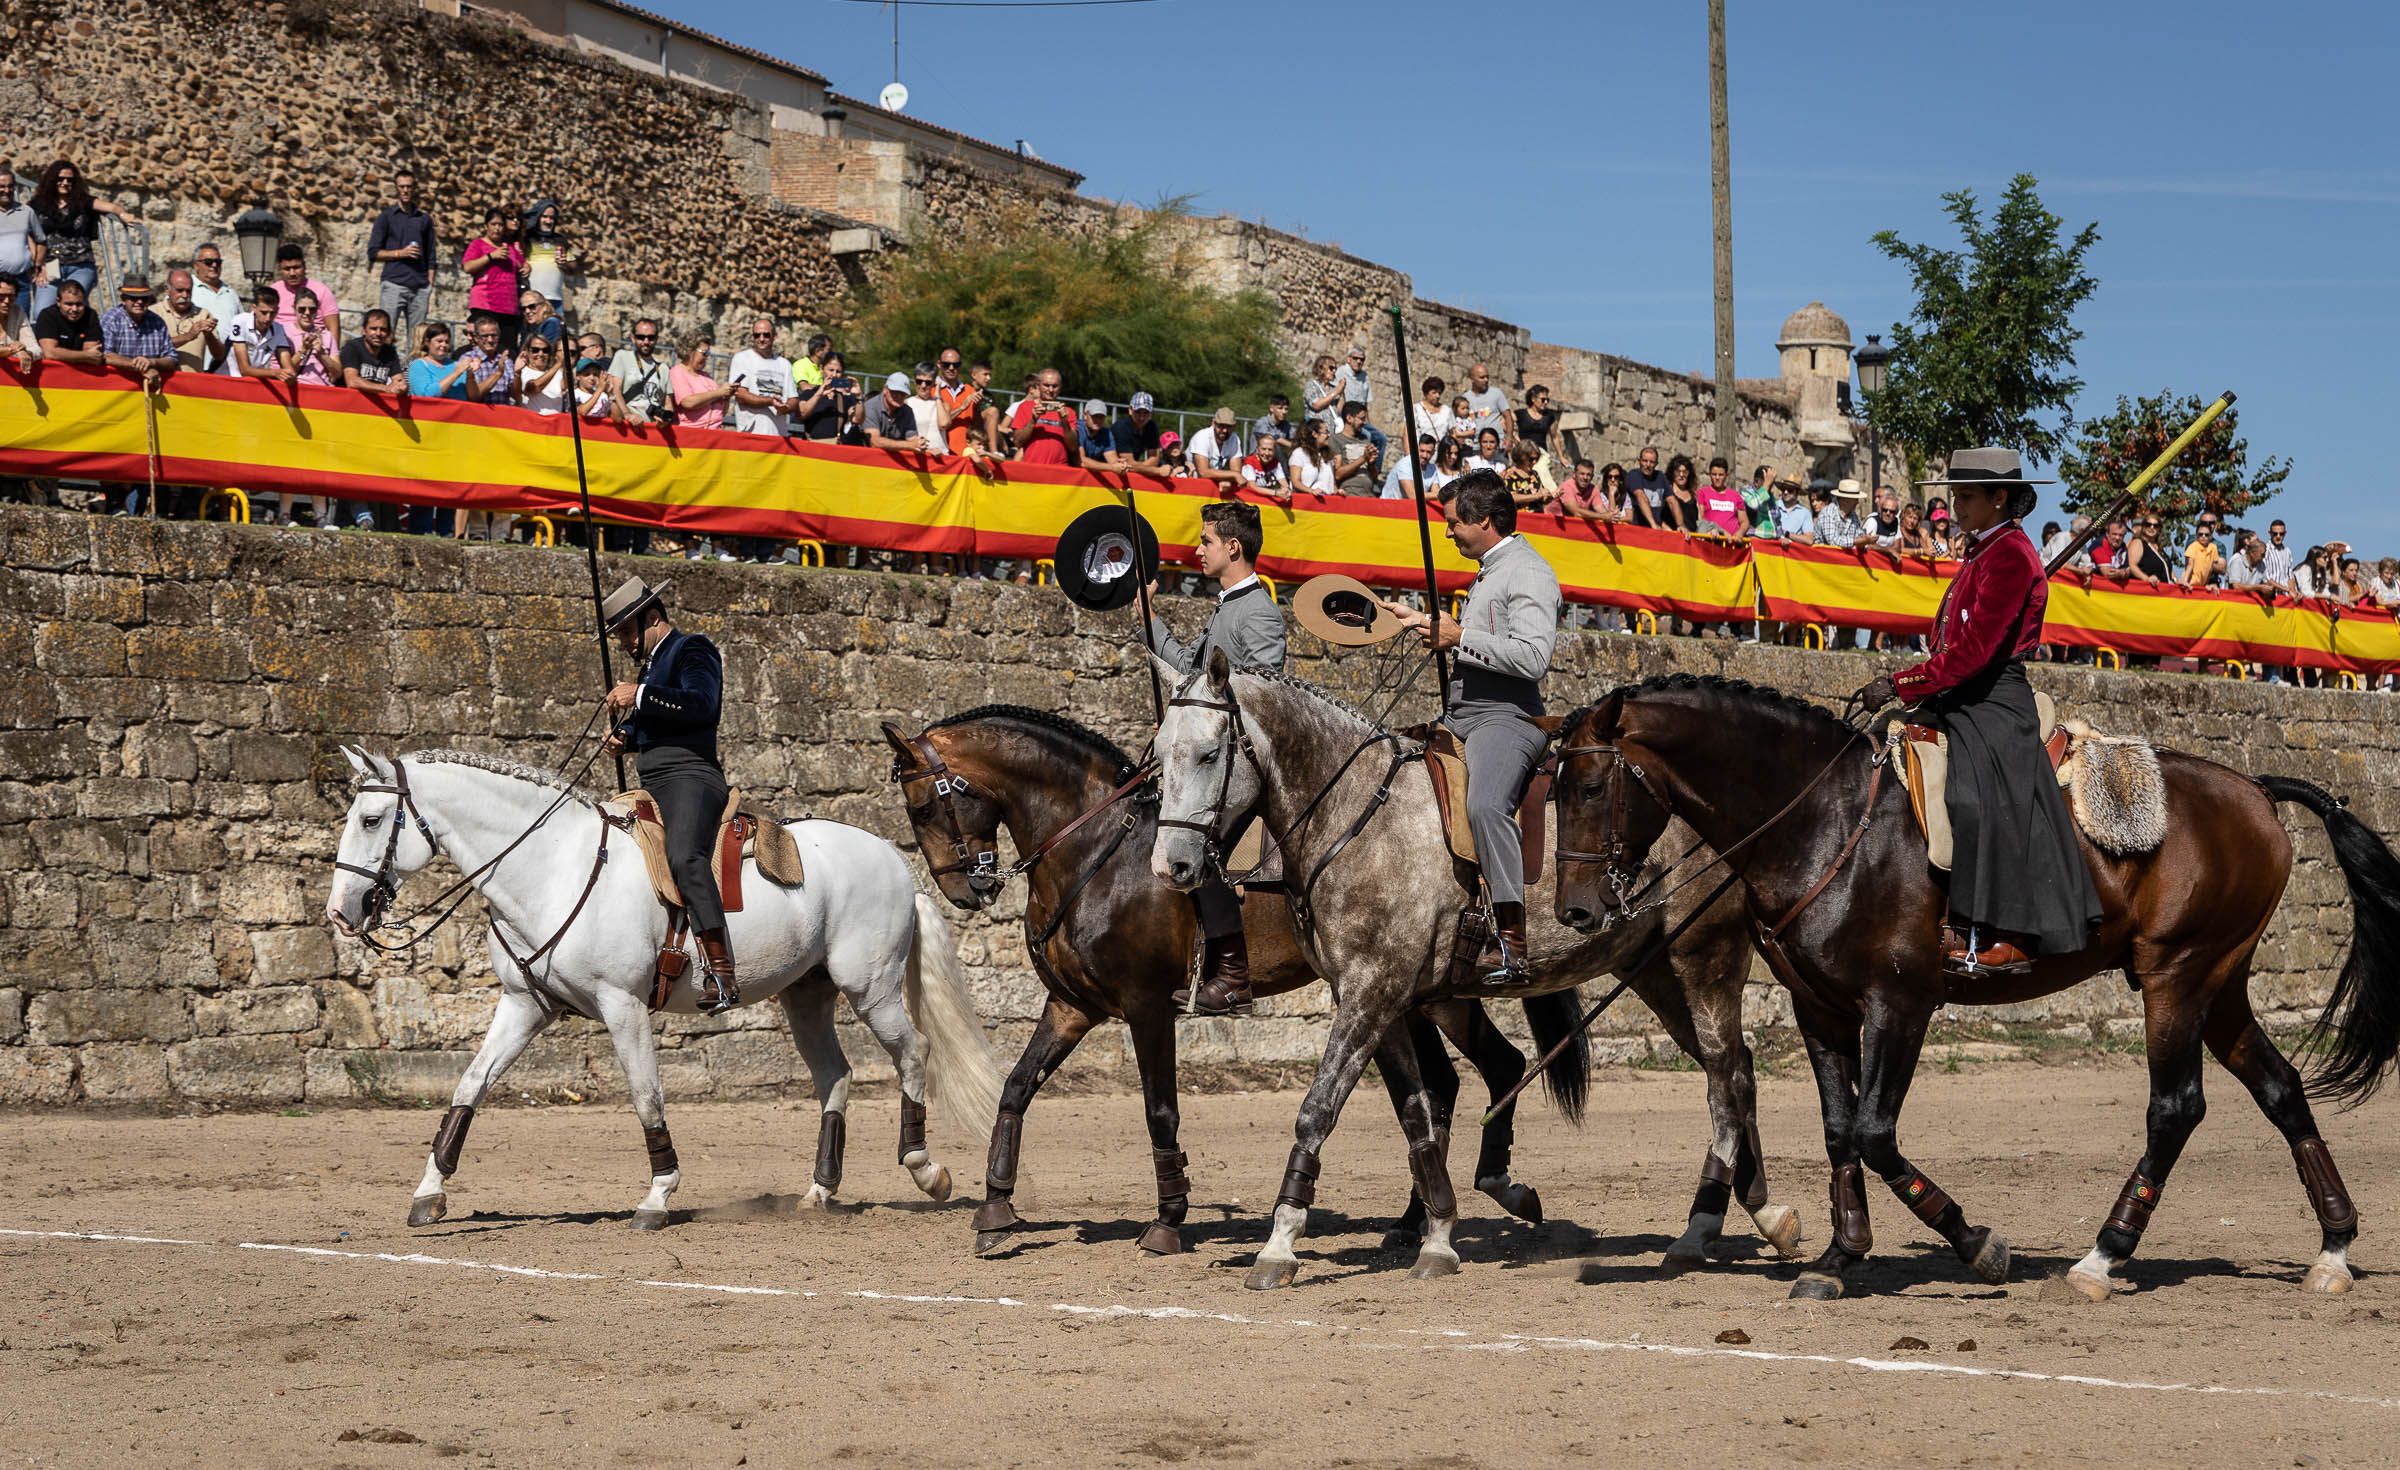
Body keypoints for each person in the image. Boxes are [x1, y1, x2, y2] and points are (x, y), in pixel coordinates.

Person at [1854, 448, 2101, 975]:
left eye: (1966, 496)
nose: (1956, 505)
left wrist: (1901, 682)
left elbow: (1974, 653)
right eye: (1956, 495)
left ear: (1999, 498)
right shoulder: (1986, 552)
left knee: (1972, 794)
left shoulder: (2011, 556)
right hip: (1963, 690)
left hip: (1994, 697)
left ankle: (2007, 931)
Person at [1381, 471, 1558, 985]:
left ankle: (1511, 942)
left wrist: (1460, 635)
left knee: (1484, 804)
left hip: (1506, 718)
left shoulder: (1529, 571)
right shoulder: (1488, 570)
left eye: (1454, 522)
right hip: (1459, 716)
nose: (1449, 532)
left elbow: (1533, 657)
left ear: (1484, 520)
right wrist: (1419, 621)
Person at [1140, 500, 1286, 1014]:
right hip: (1207, 751)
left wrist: (1202, 723)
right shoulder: (1227, 606)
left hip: (1239, 764)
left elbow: (1268, 695)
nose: (1197, 550)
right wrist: (1149, 617)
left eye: (1205, 541)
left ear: (1233, 547)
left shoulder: (1259, 613)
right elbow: (1187, 671)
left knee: (1205, 842)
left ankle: (1233, 974)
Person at [601, 576, 737, 1015]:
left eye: (625, 631)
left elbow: (701, 705)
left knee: (684, 856)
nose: (623, 642)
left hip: (692, 776)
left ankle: (722, 972)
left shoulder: (693, 649)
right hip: (653, 778)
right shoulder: (649, 667)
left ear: (652, 619)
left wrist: (639, 694)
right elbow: (658, 725)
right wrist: (627, 738)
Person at [29, 159, 130, 316]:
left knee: (74, 307)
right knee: (41, 312)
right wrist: (38, 266)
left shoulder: (83, 201)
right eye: (60, 179)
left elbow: (112, 207)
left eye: (70, 180)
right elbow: (30, 235)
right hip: (51, 265)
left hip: (81, 265)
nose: (65, 183)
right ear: (52, 180)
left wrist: (123, 214)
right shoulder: (38, 204)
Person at [367, 170, 437, 346]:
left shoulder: (424, 219)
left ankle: (410, 374)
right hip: (394, 284)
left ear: (414, 189)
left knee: (417, 341)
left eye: (409, 187)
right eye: (402, 187)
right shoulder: (386, 217)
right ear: (396, 188)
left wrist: (429, 284)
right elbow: (373, 252)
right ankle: (384, 372)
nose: (406, 190)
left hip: (419, 287)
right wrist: (400, 253)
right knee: (383, 335)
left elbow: (431, 254)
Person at [462, 209, 525, 352]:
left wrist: (526, 267)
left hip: (508, 307)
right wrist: (490, 256)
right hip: (486, 304)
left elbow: (522, 264)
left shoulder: (508, 247)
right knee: (483, 348)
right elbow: (467, 267)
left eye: (501, 225)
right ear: (486, 225)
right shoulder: (477, 244)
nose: (497, 228)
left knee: (508, 351)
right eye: (493, 224)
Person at [727, 318, 797, 436]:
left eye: (766, 335)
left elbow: (794, 398)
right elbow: (741, 395)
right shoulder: (742, 359)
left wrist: (786, 408)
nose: (761, 339)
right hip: (750, 434)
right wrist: (770, 402)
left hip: (778, 435)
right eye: (757, 335)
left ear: (775, 336)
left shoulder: (785, 364)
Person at [270, 243, 339, 348]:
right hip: (281, 349)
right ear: (279, 269)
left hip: (316, 350)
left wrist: (332, 357)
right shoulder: (273, 292)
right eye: (287, 269)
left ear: (304, 266)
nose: (292, 273)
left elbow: (333, 328)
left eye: (296, 267)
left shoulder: (322, 291)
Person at [1008, 367, 1080, 465]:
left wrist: (1064, 422)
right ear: (1038, 386)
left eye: (1055, 386)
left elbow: (1073, 446)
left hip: (1059, 470)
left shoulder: (1068, 412)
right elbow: (1017, 442)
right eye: (1046, 385)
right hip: (1031, 468)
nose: (1050, 390)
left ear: (1060, 388)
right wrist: (1033, 420)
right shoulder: (1025, 407)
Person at [188, 243, 243, 372]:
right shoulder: (187, 289)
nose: (214, 265)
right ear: (196, 265)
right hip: (197, 365)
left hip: (228, 368)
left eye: (218, 262)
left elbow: (241, 326)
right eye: (208, 262)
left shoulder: (231, 293)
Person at [608, 319, 674, 425]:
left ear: (656, 339)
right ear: (633, 338)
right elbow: (615, 390)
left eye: (651, 338)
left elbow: (668, 404)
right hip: (628, 426)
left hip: (653, 430)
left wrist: (665, 421)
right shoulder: (622, 356)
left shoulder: (663, 368)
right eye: (641, 337)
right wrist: (627, 415)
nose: (646, 342)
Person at [521, 200, 577, 311]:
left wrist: (564, 264)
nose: (548, 221)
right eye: (545, 217)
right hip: (531, 301)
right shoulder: (526, 238)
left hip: (555, 300)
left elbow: (574, 267)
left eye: (552, 218)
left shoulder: (560, 240)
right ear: (537, 217)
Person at [668, 334, 733, 430]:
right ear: (690, 351)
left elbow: (721, 412)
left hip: (714, 434)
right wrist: (719, 392)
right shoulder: (677, 373)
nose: (707, 357)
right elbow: (688, 402)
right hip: (691, 434)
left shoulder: (706, 377)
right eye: (704, 353)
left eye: (708, 354)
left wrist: (726, 397)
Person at [864, 370, 932, 452]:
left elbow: (913, 440)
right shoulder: (870, 407)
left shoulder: (907, 411)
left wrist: (921, 444)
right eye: (895, 392)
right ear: (885, 390)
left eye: (903, 393)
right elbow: (874, 442)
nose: (899, 396)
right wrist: (910, 445)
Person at [1187, 406, 1246, 493]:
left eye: (1229, 427)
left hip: (1212, 483)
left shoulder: (1234, 439)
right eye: (1221, 426)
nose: (1225, 430)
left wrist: (1227, 480)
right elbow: (1203, 472)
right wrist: (1234, 475)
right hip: (1190, 481)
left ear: (1234, 427)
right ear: (1213, 423)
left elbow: (1236, 469)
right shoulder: (1202, 437)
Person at [408, 322, 470, 401]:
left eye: (447, 342)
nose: (444, 345)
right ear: (427, 342)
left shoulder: (456, 365)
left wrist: (470, 376)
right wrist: (456, 373)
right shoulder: (418, 365)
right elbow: (426, 395)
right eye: (439, 341)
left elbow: (471, 397)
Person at [1108, 390, 1165, 469]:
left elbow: (1154, 459)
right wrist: (1154, 471)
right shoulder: (1121, 428)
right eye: (1138, 412)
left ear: (1151, 413)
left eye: (1146, 412)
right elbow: (1128, 463)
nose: (1142, 417)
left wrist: (1140, 468)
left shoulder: (1152, 427)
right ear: (1130, 410)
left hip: (1128, 468)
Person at [1459, 361, 1510, 445]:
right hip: (1475, 445)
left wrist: (1509, 438)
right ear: (1472, 379)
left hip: (1496, 443)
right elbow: (1461, 421)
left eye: (1487, 377)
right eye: (1482, 377)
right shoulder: (1465, 398)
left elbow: (1508, 417)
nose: (1486, 380)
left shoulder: (1497, 393)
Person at [1286, 418, 1338, 497]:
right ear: (1315, 434)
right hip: (1306, 503)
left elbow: (1332, 484)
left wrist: (1337, 491)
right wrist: (1311, 491)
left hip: (1328, 503)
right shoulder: (1299, 453)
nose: (1328, 435)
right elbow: (1296, 482)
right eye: (1326, 432)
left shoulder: (1328, 455)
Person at [1695, 457, 1747, 536]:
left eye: (1721, 475)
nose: (1717, 478)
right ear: (1709, 474)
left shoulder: (1736, 496)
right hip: (1712, 539)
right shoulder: (1702, 493)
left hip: (1732, 543)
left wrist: (1740, 533)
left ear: (1726, 475)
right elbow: (1701, 518)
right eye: (1714, 474)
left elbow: (1744, 521)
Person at [1512, 384, 1562, 466]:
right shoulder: (1520, 414)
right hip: (1523, 454)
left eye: (1547, 400)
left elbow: (1555, 437)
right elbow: (1504, 423)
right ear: (1533, 399)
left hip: (1541, 456)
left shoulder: (1549, 416)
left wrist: (1561, 456)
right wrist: (1515, 439)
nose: (1546, 402)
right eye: (1543, 399)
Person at [1239, 436, 1290, 502]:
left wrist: (1286, 491)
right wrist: (1275, 493)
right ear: (1257, 450)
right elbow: (1252, 487)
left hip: (1264, 500)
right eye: (1264, 449)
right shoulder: (1249, 462)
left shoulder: (1276, 463)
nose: (1267, 453)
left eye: (1270, 450)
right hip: (1248, 499)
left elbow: (1284, 483)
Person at [2181, 513, 2225, 587]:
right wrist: (2185, 581)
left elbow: (2222, 569)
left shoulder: (2215, 546)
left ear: (2216, 525)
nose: (2203, 536)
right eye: (2204, 523)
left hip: (2208, 585)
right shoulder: (2193, 542)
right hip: (2190, 582)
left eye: (2211, 523)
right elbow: (2190, 564)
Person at [1413, 376, 1451, 444]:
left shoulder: (1446, 410)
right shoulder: (1416, 409)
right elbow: (1407, 433)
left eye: (1439, 393)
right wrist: (1409, 454)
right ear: (1426, 393)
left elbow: (1452, 432)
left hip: (1441, 451)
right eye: (1434, 392)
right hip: (1421, 451)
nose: (1438, 396)